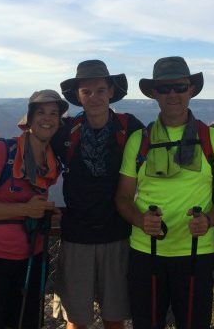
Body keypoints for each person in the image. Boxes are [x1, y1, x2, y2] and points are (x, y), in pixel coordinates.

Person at [116, 56, 214, 329]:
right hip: (146, 252)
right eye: (164, 88)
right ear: (154, 94)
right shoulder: (139, 140)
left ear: (191, 90)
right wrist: (140, 220)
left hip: (196, 252)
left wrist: (208, 220)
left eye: (180, 87)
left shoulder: (211, 139)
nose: (173, 94)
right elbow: (123, 196)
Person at [0, 89, 67, 329]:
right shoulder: (2, 151)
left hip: (32, 258)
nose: (47, 118)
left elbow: (33, 205)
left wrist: (45, 215)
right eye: (40, 112)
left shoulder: (52, 161)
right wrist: (25, 210)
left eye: (53, 113)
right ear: (29, 118)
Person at [52, 60, 144, 329]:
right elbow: (32, 144)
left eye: (100, 90)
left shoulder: (129, 127)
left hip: (116, 234)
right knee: (76, 319)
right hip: (76, 235)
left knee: (114, 318)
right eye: (87, 91)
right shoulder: (65, 130)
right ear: (78, 96)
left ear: (111, 92)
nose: (94, 97)